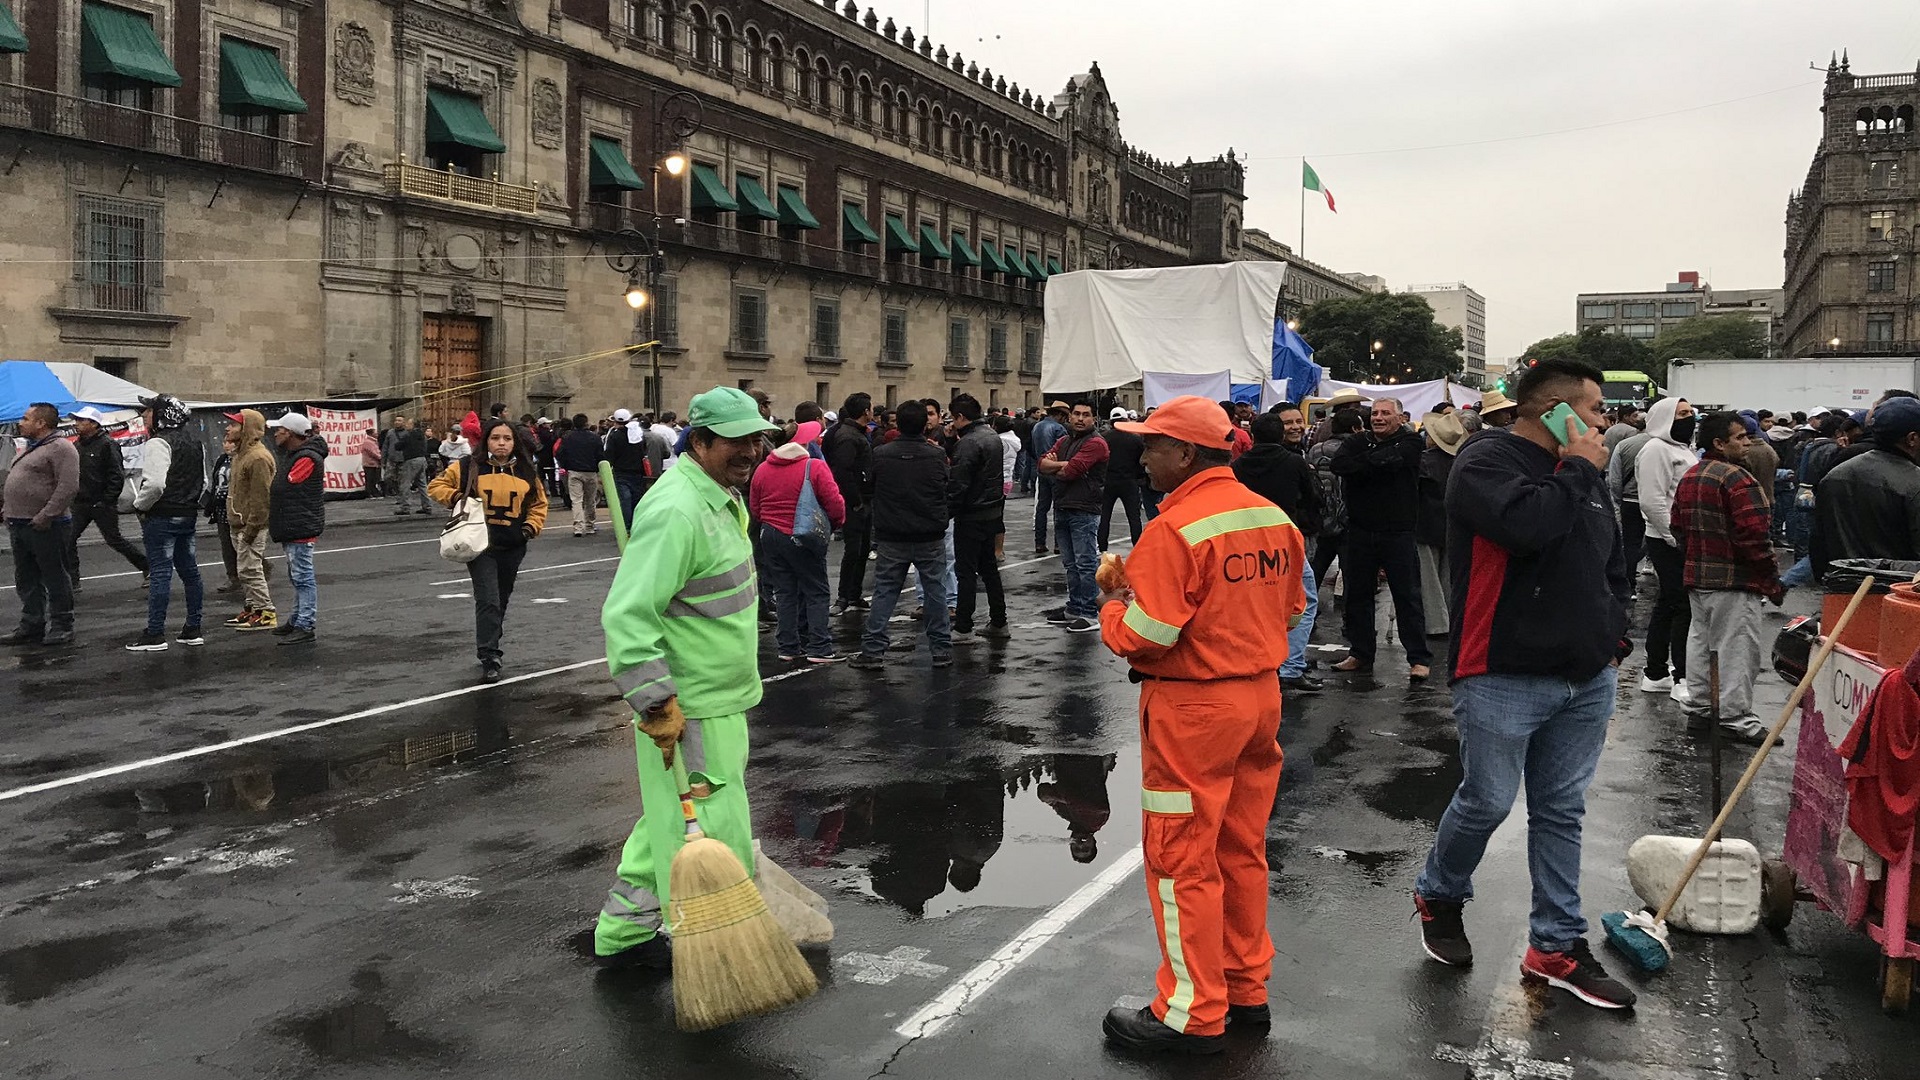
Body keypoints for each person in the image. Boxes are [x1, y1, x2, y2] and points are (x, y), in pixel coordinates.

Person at [1412, 357, 1638, 1011]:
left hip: (1585, 676)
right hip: (1502, 673)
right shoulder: (1485, 463)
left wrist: (1613, 636)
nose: (1604, 422)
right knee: (1486, 800)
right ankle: (1440, 893)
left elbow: (1611, 560)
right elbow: (1529, 526)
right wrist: (1576, 467)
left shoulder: (1586, 476)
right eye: (1595, 409)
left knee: (1561, 810)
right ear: (1556, 411)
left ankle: (1556, 945)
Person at [1094, 396, 1307, 1054]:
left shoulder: (1176, 528)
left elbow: (1147, 636)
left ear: (1185, 454)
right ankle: (1246, 990)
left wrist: (1112, 604)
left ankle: (1190, 1012)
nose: (1143, 456)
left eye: (1152, 445)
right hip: (1258, 698)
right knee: (1240, 851)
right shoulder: (1272, 518)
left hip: (1193, 709)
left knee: (1181, 858)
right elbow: (1292, 611)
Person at [593, 387, 781, 969]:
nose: (751, 451)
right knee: (712, 826)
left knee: (669, 820)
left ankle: (623, 936)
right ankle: (712, 946)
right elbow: (628, 613)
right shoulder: (678, 508)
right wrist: (654, 701)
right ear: (698, 441)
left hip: (717, 697)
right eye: (737, 440)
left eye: (756, 439)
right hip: (688, 705)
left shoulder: (716, 496)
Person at [1672, 411, 1786, 746]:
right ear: (1719, 443)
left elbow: (1677, 526)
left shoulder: (1692, 475)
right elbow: (1755, 537)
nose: (1747, 442)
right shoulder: (1738, 479)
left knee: (1702, 645)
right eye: (1740, 437)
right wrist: (1771, 580)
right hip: (1734, 581)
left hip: (1700, 577)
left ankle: (1702, 710)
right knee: (1736, 650)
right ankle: (1736, 719)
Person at [430, 417, 548, 682]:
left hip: (513, 546)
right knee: (488, 599)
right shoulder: (469, 466)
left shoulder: (527, 472)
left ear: (514, 443)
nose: (501, 443)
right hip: (480, 546)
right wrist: (458, 497)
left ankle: (491, 638)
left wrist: (529, 528)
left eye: (507, 439)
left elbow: (539, 504)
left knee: (501, 599)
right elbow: (437, 486)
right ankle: (489, 654)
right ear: (486, 441)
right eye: (495, 438)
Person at [1330, 397, 1431, 679]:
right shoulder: (1358, 442)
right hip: (1360, 530)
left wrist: (1365, 465)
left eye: (1386, 413)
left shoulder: (1411, 442)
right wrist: (1374, 462)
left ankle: (1418, 658)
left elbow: (1393, 460)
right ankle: (1360, 652)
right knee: (1357, 595)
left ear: (1400, 418)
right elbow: (1340, 465)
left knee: (1407, 595)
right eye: (1375, 413)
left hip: (1398, 531)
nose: (1379, 418)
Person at [851, 401, 952, 669]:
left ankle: (873, 650)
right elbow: (946, 487)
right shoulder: (936, 455)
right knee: (935, 592)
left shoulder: (881, 454)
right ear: (924, 424)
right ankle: (941, 649)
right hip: (929, 533)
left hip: (892, 533)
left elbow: (868, 488)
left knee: (885, 591)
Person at [1234, 406, 1324, 694]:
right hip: (1285, 537)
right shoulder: (1293, 462)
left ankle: (1262, 658)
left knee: (1256, 602)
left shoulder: (1238, 465)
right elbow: (1312, 497)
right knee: (1303, 600)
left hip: (1248, 538)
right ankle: (1291, 664)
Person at [750, 419, 846, 664]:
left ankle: (788, 646)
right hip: (802, 535)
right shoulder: (813, 467)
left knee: (784, 592)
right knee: (816, 590)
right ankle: (819, 646)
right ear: (801, 443)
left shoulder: (763, 468)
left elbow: (755, 507)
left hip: (770, 534)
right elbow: (834, 502)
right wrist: (834, 524)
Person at [127, 393, 206, 652]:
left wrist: (140, 505)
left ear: (161, 415)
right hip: (188, 512)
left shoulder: (158, 442)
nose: (144, 415)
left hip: (162, 515)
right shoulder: (195, 442)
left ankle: (155, 632)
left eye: (148, 411)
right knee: (190, 571)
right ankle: (193, 628)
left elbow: (156, 483)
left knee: (160, 572)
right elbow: (203, 481)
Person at [1812, 395, 1920, 577]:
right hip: (1898, 594)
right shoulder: (1914, 482)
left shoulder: (1836, 475)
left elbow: (1817, 543)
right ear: (1912, 438)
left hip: (1841, 591)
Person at [1636, 396, 1699, 702]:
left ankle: (1656, 671)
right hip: (1667, 540)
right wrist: (1672, 536)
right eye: (1682, 413)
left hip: (1678, 537)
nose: (1689, 418)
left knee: (1668, 603)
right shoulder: (1656, 449)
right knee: (1682, 606)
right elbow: (1652, 499)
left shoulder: (1682, 448)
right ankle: (1681, 676)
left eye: (1690, 412)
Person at [2, 402, 79, 647]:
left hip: (46, 525)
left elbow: (67, 487)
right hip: (20, 523)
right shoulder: (31, 447)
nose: (21, 422)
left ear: (41, 423)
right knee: (26, 577)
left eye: (25, 418)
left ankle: (62, 625)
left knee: (54, 575)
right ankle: (31, 624)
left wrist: (47, 515)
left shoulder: (61, 448)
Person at [1038, 402, 1109, 632]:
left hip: (1084, 509)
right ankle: (1074, 607)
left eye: (1085, 415)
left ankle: (1089, 613)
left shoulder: (1096, 443)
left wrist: (1057, 466)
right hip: (1063, 506)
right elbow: (1041, 463)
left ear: (1093, 419)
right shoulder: (1065, 440)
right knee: (1071, 564)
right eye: (1076, 414)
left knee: (1085, 563)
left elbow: (1071, 471)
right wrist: (1060, 464)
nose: (1080, 418)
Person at [947, 393, 1010, 640]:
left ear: (961, 417)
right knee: (989, 569)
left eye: (954, 418)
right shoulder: (991, 436)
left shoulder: (969, 442)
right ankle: (998, 621)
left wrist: (947, 512)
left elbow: (959, 482)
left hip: (971, 514)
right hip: (991, 511)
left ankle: (963, 625)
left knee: (966, 571)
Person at [64, 406, 147, 589]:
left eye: (81, 420)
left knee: (114, 540)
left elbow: (116, 475)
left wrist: (107, 500)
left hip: (101, 502)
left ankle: (146, 566)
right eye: (76, 420)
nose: (77, 424)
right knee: (67, 540)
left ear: (94, 424)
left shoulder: (107, 444)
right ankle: (73, 580)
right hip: (81, 503)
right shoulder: (77, 445)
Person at [266, 412, 326, 646]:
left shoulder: (306, 458)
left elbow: (286, 487)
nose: (276, 433)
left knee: (303, 577)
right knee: (297, 575)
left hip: (299, 524)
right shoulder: (295, 455)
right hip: (295, 523)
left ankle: (305, 623)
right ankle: (297, 618)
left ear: (290, 433)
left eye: (279, 430)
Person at [221, 409, 278, 632]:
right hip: (239, 523)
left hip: (250, 526)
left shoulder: (257, 458)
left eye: (234, 425)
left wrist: (252, 529)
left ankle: (266, 611)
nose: (228, 428)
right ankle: (253, 607)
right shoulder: (241, 455)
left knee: (251, 569)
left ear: (247, 429)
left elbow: (262, 498)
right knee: (244, 569)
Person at [1416, 411, 1470, 638]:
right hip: (1454, 524)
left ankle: (1436, 624)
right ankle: (1453, 619)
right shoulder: (1463, 462)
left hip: (1426, 523)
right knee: (1450, 577)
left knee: (1428, 578)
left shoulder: (1423, 461)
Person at [826, 393, 876, 616]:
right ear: (866, 412)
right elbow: (843, 471)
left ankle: (854, 594)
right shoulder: (848, 436)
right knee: (853, 550)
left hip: (862, 500)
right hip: (855, 502)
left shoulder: (854, 433)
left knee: (862, 549)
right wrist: (855, 501)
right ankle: (844, 596)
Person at [1306, 410, 1359, 589]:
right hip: (1348, 519)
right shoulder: (1353, 450)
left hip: (1322, 518)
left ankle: (1308, 612)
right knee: (1351, 573)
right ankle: (1349, 613)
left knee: (1316, 570)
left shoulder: (1316, 449)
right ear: (1354, 428)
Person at [605, 407, 668, 527]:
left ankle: (627, 525)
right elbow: (644, 451)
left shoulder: (614, 436)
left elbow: (609, 455)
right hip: (638, 472)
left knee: (625, 500)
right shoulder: (637, 435)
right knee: (637, 498)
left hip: (621, 471)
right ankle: (638, 523)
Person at [1100, 406, 1146, 550]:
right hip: (1129, 482)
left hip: (1108, 481)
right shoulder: (1135, 439)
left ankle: (1102, 547)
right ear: (1125, 420)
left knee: (1104, 517)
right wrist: (1139, 477)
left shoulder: (1103, 438)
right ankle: (1137, 547)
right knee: (1134, 517)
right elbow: (1141, 460)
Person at [556, 413, 606, 537]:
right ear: (586, 423)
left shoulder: (568, 437)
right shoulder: (595, 438)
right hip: (590, 471)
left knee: (576, 500)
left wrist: (566, 465)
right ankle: (590, 525)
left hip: (574, 471)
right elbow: (600, 455)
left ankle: (578, 527)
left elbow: (560, 453)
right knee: (590, 500)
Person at [1030, 401, 1069, 553]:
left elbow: (1032, 448)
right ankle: (1059, 544)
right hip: (1054, 469)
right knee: (1058, 508)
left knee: (1042, 508)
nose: (1065, 420)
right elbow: (1065, 449)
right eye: (1064, 416)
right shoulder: (1059, 429)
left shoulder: (1037, 426)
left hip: (1041, 468)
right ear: (1059, 415)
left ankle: (1039, 543)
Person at [205, 432, 238, 595]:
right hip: (221, 510)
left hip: (237, 509)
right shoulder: (221, 460)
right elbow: (216, 482)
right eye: (225, 441)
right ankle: (232, 576)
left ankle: (250, 576)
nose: (226, 445)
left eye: (230, 442)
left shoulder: (243, 459)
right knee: (226, 545)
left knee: (241, 545)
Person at [392, 416, 431, 515]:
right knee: (422, 484)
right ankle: (427, 506)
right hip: (422, 459)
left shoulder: (409, 435)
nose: (406, 425)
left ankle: (405, 507)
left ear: (413, 425)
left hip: (411, 460)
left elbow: (398, 446)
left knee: (405, 483)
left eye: (409, 423)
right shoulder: (421, 435)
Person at [357, 427, 383, 498]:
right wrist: (381, 457)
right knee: (370, 479)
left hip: (373, 464)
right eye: (375, 432)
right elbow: (373, 453)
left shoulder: (373, 441)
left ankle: (372, 492)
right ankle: (370, 493)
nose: (377, 434)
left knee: (373, 479)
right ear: (371, 434)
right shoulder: (368, 442)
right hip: (370, 464)